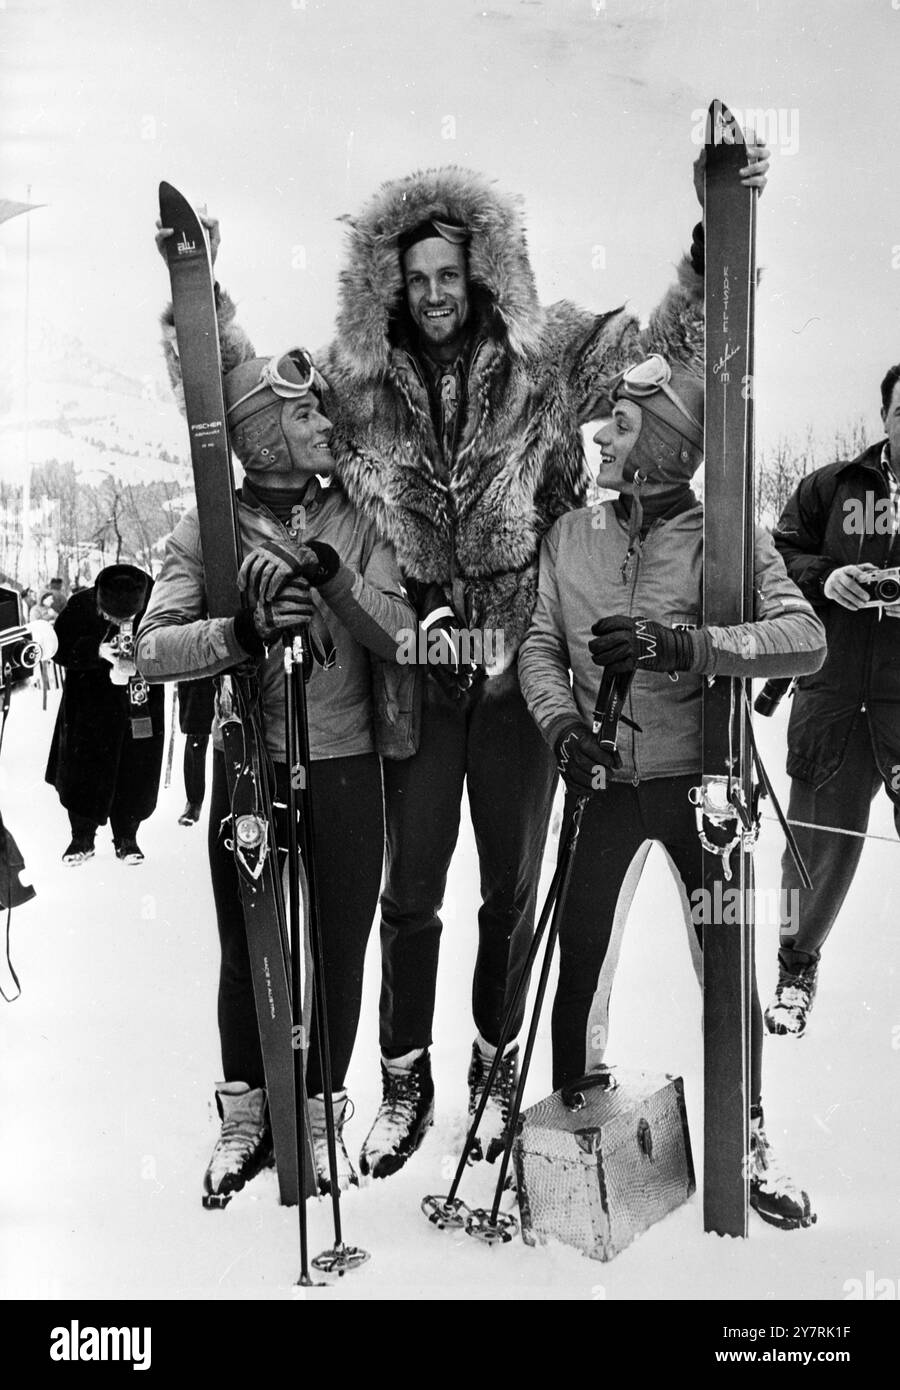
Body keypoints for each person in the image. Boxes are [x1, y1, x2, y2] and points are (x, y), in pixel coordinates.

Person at [159, 135, 770, 1181]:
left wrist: (712, 256)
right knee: (412, 892)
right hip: (413, 671)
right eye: (417, 279)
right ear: (389, 289)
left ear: (481, 273)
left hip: (518, 674)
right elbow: (244, 401)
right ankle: (406, 1076)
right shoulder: (357, 387)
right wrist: (201, 297)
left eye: (451, 275)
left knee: (513, 889)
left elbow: (655, 353)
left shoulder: (546, 361)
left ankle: (495, 1069)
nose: (436, 294)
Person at [518, 354, 826, 1229]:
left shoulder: (725, 539)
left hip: (702, 784)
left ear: (662, 446)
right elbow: (541, 644)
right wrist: (562, 730)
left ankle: (747, 1136)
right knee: (581, 962)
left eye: (621, 424)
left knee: (725, 969)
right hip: (605, 779)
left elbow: (804, 639)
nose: (603, 437)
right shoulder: (572, 536)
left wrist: (682, 645)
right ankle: (574, 1136)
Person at [135, 343, 416, 1203]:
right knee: (245, 946)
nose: (325, 424)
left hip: (343, 760)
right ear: (262, 439)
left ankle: (323, 1107)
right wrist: (243, 634)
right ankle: (248, 1106)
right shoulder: (207, 531)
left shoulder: (359, 520)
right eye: (303, 416)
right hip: (252, 762)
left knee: (337, 944)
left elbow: (403, 633)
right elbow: (152, 650)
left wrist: (331, 581)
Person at [764, 363, 900, 1037]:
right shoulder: (832, 485)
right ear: (885, 417)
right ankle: (795, 972)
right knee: (814, 848)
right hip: (833, 695)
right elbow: (778, 555)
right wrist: (831, 577)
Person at [46, 564, 164, 866]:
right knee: (83, 774)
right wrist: (96, 652)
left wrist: (142, 655)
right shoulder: (81, 605)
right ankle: (81, 838)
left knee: (134, 773)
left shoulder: (158, 605)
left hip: (138, 704)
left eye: (126, 619)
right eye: (112, 618)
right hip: (89, 709)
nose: (118, 623)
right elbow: (57, 649)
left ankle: (127, 837)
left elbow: (174, 644)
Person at [175, 677, 216, 826]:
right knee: (196, 737)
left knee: (234, 738)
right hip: (196, 673)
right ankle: (194, 802)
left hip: (229, 666)